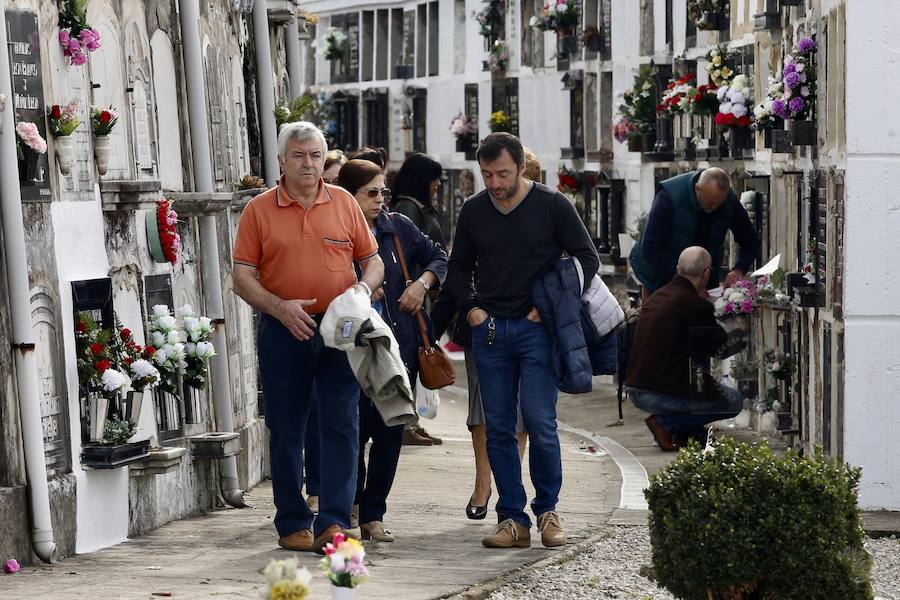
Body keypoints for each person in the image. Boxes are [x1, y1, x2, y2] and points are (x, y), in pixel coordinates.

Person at [232, 122, 385, 553]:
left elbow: (373, 262)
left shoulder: (343, 204)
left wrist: (361, 290)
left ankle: (334, 521)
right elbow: (241, 277)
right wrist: (280, 307)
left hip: (341, 330)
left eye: (316, 155)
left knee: (342, 423)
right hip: (284, 330)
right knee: (287, 428)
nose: (309, 164)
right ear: (281, 161)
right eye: (299, 156)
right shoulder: (259, 210)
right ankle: (292, 521)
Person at [445, 132, 600, 549]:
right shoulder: (474, 211)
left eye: (503, 174)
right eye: (487, 174)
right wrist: (472, 308)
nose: (495, 183)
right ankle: (512, 519)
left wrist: (551, 305)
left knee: (540, 422)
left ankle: (548, 511)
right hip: (490, 331)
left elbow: (588, 258)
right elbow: (457, 267)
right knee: (497, 428)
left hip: (537, 331)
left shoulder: (552, 205)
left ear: (520, 168)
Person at [336, 159, 448, 542]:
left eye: (383, 191)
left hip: (396, 349)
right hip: (352, 350)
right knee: (353, 429)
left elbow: (438, 255)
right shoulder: (334, 232)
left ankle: (373, 513)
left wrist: (421, 284)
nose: (380, 200)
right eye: (371, 193)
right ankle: (350, 501)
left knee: (389, 431)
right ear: (348, 197)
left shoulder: (396, 226)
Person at [625, 247, 745, 451]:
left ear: (678, 269)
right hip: (658, 393)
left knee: (704, 389)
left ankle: (681, 431)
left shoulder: (660, 295)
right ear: (706, 273)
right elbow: (721, 349)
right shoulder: (692, 304)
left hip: (636, 386)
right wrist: (740, 330)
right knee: (734, 401)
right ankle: (665, 424)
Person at [629, 167, 759, 301]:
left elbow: (750, 240)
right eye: (710, 202)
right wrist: (688, 285)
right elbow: (651, 249)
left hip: (704, 277)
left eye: (718, 204)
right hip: (660, 273)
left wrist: (739, 269)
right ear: (697, 188)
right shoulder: (669, 196)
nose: (714, 207)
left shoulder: (727, 200)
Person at [390, 152, 447, 249]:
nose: (438, 183)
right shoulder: (407, 209)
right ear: (422, 180)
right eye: (434, 178)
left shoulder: (416, 207)